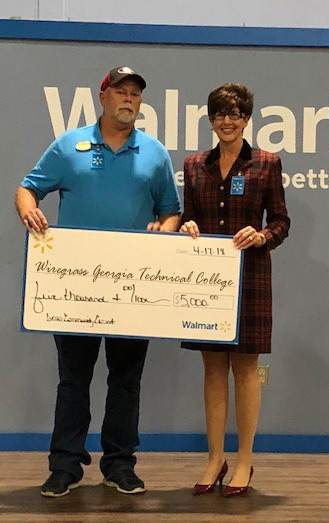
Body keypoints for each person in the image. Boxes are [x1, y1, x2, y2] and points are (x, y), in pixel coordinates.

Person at [14, 66, 181, 497]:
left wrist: (166, 228)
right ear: (103, 96)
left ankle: (119, 465)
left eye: (136, 95)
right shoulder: (69, 146)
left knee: (126, 379)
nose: (129, 99)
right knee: (73, 378)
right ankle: (65, 466)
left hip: (134, 287)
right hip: (77, 288)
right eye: (121, 92)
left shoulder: (155, 153)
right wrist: (28, 208)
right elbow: (27, 188)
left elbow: (170, 210)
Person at [180, 83, 290, 497]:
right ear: (211, 119)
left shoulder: (266, 162)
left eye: (235, 114)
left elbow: (281, 222)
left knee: (245, 371)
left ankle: (244, 459)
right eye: (219, 114)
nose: (227, 121)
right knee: (211, 370)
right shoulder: (193, 166)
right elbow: (189, 215)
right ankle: (214, 457)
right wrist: (188, 226)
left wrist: (262, 236)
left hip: (251, 278)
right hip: (206, 282)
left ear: (247, 118)